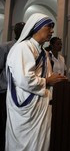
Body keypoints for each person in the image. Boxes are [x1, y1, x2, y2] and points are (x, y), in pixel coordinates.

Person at [5, 13, 67, 151]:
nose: (52, 31)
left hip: (41, 104)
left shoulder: (44, 53)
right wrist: (48, 80)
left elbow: (49, 76)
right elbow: (24, 79)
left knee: (41, 143)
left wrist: (57, 79)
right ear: (36, 27)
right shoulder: (23, 48)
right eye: (48, 27)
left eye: (53, 27)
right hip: (26, 106)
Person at [0, 22, 25, 151]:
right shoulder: (6, 46)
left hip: (22, 91)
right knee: (5, 121)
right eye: (21, 29)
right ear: (15, 31)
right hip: (6, 89)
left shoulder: (26, 47)